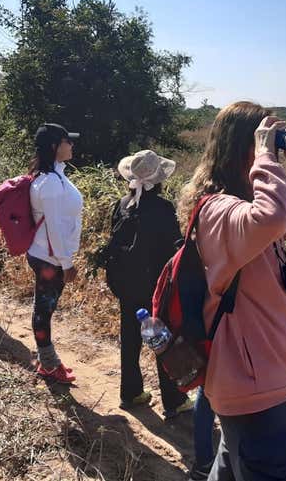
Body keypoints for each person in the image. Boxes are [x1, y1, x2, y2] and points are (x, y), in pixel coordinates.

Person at [177, 101, 286, 481]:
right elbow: (271, 217)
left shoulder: (248, 210)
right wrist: (267, 156)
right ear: (245, 148)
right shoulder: (219, 212)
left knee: (233, 467)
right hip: (254, 390)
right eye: (261, 141)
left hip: (257, 383)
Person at [108, 150, 194, 418]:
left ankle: (131, 393)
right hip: (155, 287)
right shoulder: (163, 208)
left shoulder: (122, 204)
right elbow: (175, 248)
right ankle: (175, 400)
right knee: (164, 340)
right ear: (158, 179)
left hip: (125, 285)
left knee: (130, 339)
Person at [27, 123, 83, 383]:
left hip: (51, 255)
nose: (71, 145)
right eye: (66, 141)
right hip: (49, 257)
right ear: (54, 146)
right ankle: (48, 365)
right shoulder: (49, 182)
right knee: (44, 309)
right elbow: (54, 229)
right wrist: (66, 262)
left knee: (45, 307)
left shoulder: (56, 174)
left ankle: (46, 359)